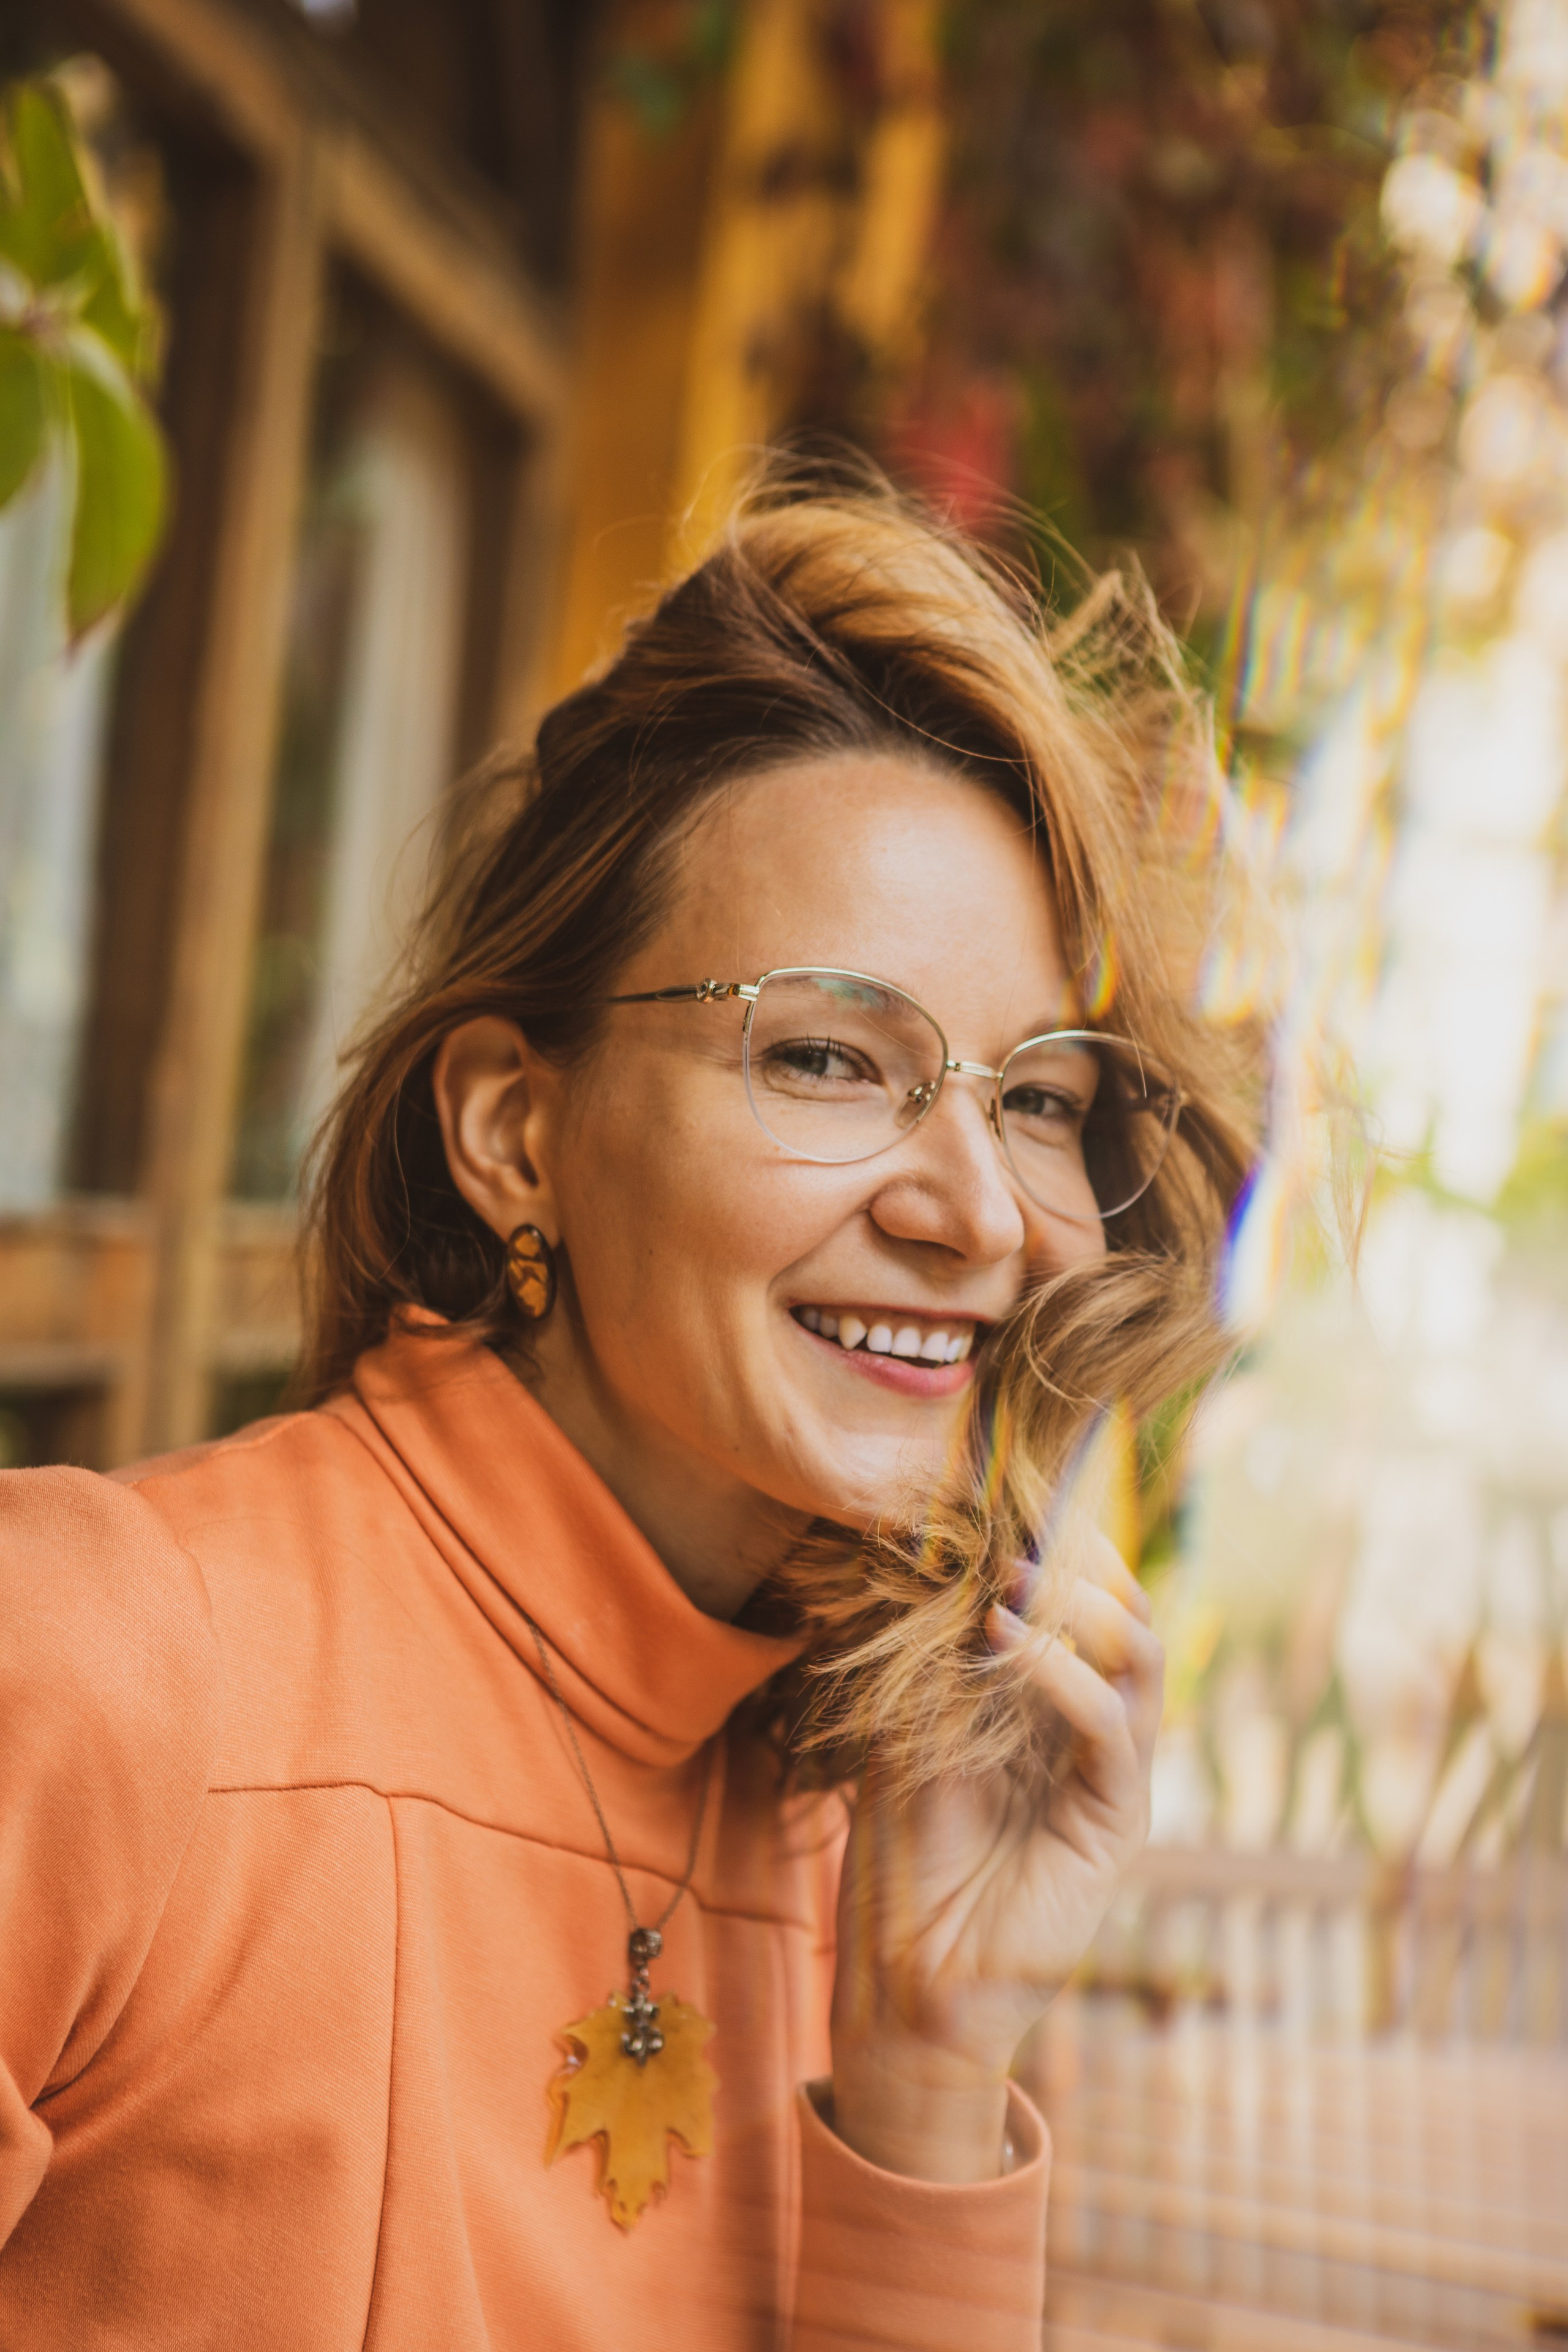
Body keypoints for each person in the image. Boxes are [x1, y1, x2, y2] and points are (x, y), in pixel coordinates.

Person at [0, 479, 1255, 2350]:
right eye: (831, 1056)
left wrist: (922, 2066)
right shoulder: (100, 1670)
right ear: (516, 1127)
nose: (977, 1212)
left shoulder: (869, 1830)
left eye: (1042, 1099)